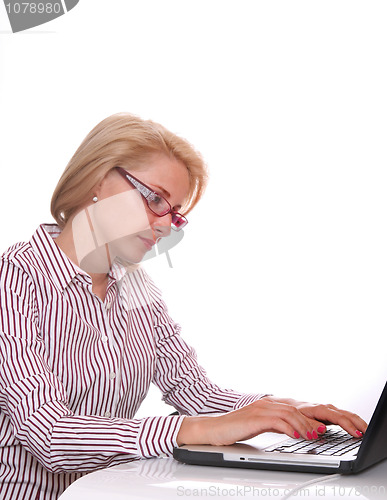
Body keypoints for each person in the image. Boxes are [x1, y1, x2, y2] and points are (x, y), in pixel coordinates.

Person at [0, 113, 367, 500]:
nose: (164, 226)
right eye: (154, 198)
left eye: (173, 212)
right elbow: (48, 433)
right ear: (97, 178)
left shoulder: (136, 287)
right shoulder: (14, 278)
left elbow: (196, 394)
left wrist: (282, 408)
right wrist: (191, 429)